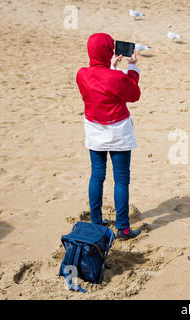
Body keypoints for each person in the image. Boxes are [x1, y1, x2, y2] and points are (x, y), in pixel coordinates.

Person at [76, 33, 141, 240]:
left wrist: (110, 66)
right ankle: (123, 228)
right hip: (118, 132)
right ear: (109, 52)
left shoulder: (81, 74)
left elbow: (100, 83)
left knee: (97, 175)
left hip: (94, 132)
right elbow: (133, 94)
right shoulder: (117, 77)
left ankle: (96, 221)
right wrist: (132, 68)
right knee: (121, 180)